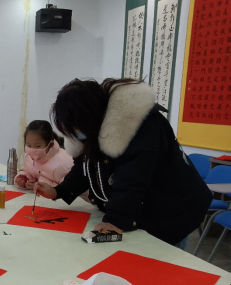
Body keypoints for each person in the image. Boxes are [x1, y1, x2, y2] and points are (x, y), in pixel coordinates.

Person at [34, 78, 212, 249]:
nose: (77, 132)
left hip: (174, 208)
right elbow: (86, 165)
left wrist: (115, 219)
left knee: (160, 261)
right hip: (142, 207)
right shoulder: (95, 125)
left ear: (90, 115)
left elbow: (132, 177)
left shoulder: (139, 123)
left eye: (76, 126)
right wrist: (60, 190)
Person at [14, 120, 74, 190]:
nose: (32, 150)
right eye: (29, 145)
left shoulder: (62, 164)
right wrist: (23, 178)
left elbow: (67, 189)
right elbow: (27, 171)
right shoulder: (29, 156)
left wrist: (40, 185)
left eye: (38, 146)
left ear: (50, 144)